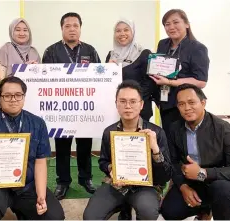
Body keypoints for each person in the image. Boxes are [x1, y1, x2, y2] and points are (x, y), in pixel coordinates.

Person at [0, 77, 65, 220]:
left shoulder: (37, 123)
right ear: (0, 98)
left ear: (24, 97)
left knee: (54, 216)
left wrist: (41, 195)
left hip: (26, 184)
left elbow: (40, 162)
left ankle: (24, 211)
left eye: (18, 95)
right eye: (7, 95)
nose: (13, 99)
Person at [83, 80, 172, 220]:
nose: (128, 106)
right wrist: (111, 168)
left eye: (133, 101)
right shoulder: (109, 132)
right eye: (123, 101)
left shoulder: (156, 132)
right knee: (91, 216)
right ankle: (124, 207)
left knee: (148, 212)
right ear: (116, 104)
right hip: (117, 185)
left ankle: (129, 206)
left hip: (146, 187)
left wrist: (155, 149)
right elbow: (103, 161)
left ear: (141, 104)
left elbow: (165, 176)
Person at [42, 12, 101, 200]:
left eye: (75, 25)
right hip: (61, 108)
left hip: (84, 107)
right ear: (62, 29)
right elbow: (45, 79)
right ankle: (63, 181)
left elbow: (100, 78)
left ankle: (86, 179)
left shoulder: (90, 51)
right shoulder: (51, 51)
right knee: (62, 146)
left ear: (80, 28)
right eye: (68, 26)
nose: (72, 29)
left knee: (85, 145)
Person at [161, 84, 230, 220]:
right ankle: (203, 209)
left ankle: (211, 209)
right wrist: (183, 186)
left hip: (216, 180)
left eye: (192, 102)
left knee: (223, 190)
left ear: (203, 103)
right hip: (191, 181)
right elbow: (173, 162)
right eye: (181, 104)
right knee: (169, 211)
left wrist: (203, 173)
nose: (187, 108)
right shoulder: (174, 129)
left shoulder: (223, 129)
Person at [149, 9, 209, 137]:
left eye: (176, 22)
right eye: (167, 24)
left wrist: (170, 82)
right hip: (165, 103)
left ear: (187, 24)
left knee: (184, 140)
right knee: (169, 140)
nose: (171, 27)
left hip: (186, 103)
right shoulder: (163, 44)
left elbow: (201, 81)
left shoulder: (197, 48)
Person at [106, 18, 156, 121]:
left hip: (139, 111)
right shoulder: (111, 56)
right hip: (116, 110)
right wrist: (108, 70)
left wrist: (132, 103)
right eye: (118, 31)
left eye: (126, 30)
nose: (122, 33)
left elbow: (149, 84)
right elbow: (107, 84)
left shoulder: (144, 53)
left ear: (132, 32)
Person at [0, 18, 40, 86]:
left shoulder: (34, 52)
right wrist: (23, 69)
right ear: (11, 31)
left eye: (25, 30)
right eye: (17, 30)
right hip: (11, 94)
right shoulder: (4, 50)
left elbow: (40, 78)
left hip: (32, 93)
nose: (22, 33)